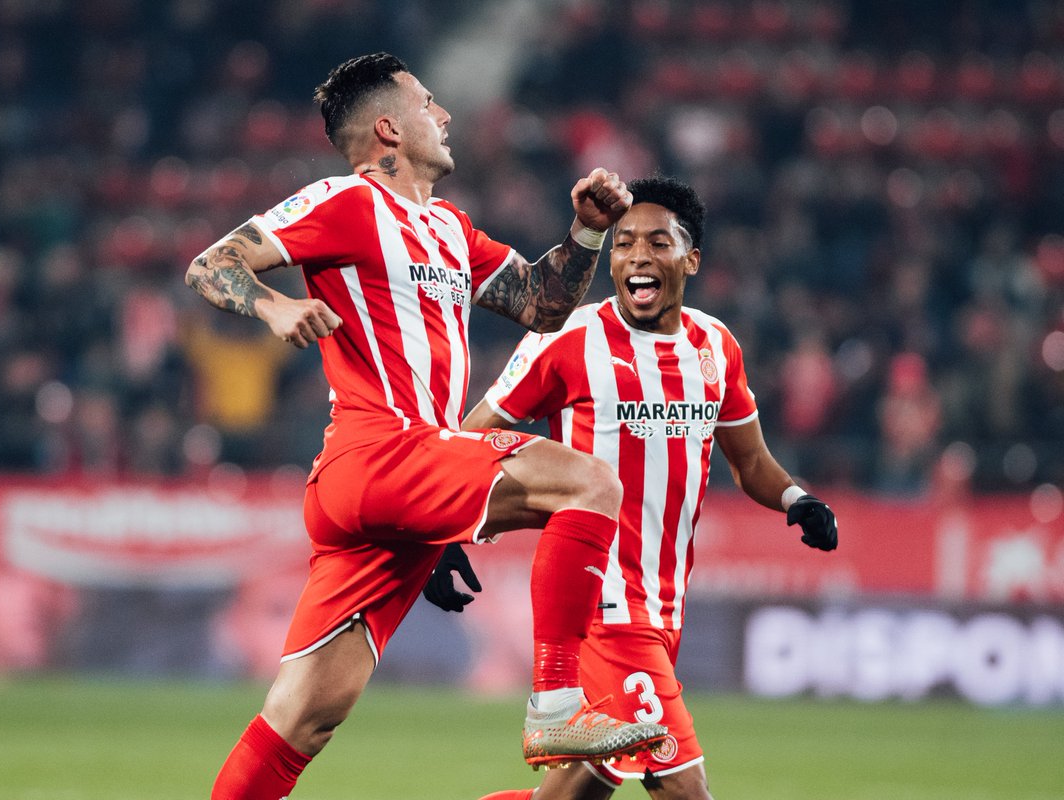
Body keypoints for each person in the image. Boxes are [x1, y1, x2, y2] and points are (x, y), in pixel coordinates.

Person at [184, 53, 670, 800]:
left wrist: (586, 231)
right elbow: (211, 265)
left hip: (398, 486)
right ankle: (555, 707)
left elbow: (542, 305)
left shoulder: (449, 228)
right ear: (388, 128)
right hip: (379, 450)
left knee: (301, 718)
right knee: (590, 484)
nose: (443, 115)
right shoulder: (346, 201)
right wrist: (275, 306)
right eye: (428, 103)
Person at [422, 175, 838, 800]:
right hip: (602, 605)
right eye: (623, 244)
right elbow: (471, 436)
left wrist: (796, 499)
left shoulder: (715, 347)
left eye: (658, 243)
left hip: (666, 607)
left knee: (573, 794)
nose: (637, 256)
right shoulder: (568, 338)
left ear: (690, 260)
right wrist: (443, 533)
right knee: (685, 790)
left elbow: (750, 461)